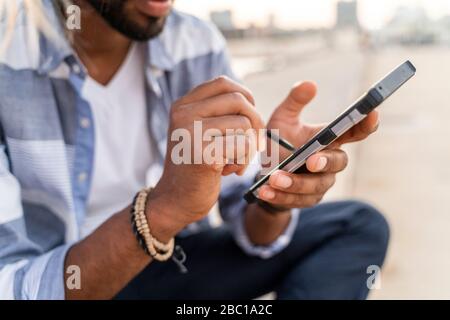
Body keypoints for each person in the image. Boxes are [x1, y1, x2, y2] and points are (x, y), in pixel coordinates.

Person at [0, 0, 389, 300]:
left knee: (358, 225)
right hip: (66, 280)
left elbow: (247, 221)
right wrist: (165, 209)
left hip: (175, 269)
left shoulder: (194, 43)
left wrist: (274, 191)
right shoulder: (9, 56)